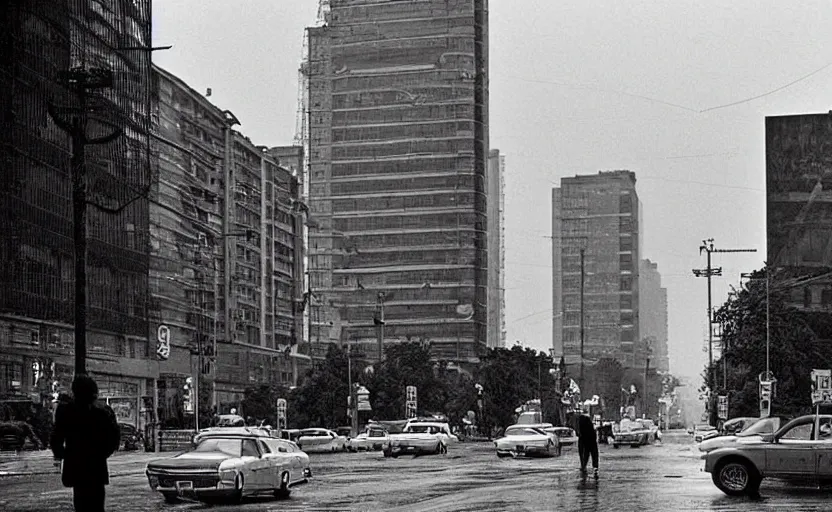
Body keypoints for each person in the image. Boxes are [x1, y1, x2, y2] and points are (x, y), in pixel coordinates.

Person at [50, 375, 121, 512]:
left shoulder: (66, 411)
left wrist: (64, 454)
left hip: (76, 464)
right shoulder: (103, 411)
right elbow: (114, 438)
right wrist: (102, 454)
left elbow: (56, 437)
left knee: (81, 503)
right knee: (97, 504)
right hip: (96, 465)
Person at [575, 409, 599, 479]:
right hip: (591, 441)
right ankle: (595, 467)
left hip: (585, 441)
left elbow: (581, 451)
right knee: (594, 454)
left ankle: (584, 466)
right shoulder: (589, 425)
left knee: (585, 454)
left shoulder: (581, 424)